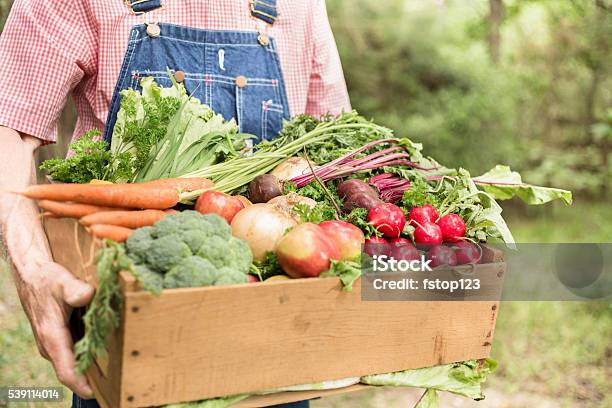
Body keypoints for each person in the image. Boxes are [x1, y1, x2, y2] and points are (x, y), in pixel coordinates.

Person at [0, 1, 350, 406]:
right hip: (128, 327)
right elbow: (8, 127)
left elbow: (328, 142)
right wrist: (32, 270)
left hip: (271, 344)